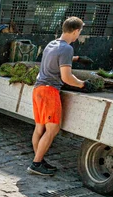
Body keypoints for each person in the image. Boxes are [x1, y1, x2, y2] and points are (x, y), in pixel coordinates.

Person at [28, 17, 96, 176]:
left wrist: (77, 59)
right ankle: (36, 164)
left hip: (38, 89)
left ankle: (39, 159)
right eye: (80, 32)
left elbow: (56, 58)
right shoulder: (67, 48)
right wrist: (83, 84)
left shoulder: (51, 44)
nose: (79, 36)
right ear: (76, 31)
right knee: (52, 129)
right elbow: (66, 77)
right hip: (50, 92)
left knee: (40, 128)